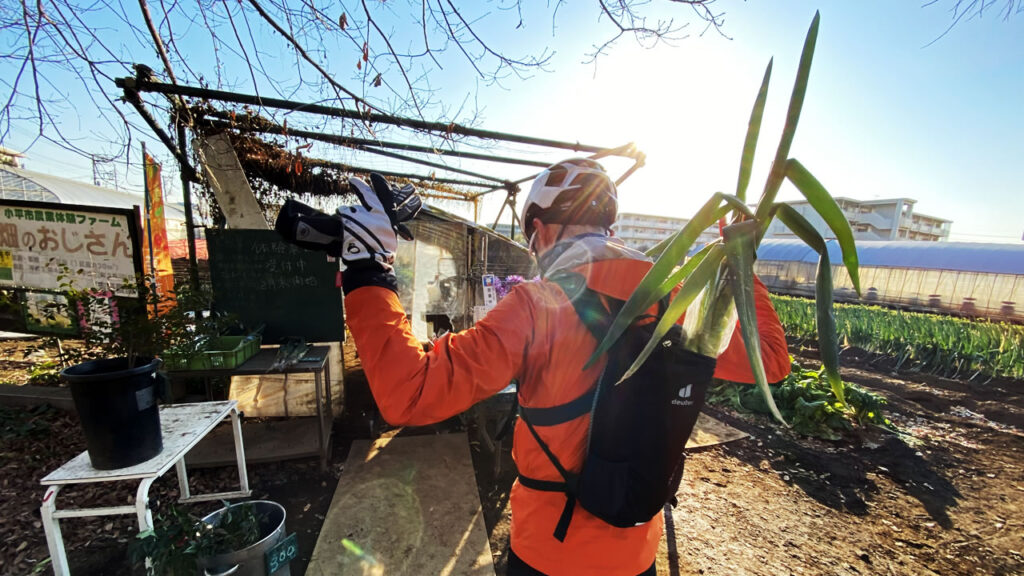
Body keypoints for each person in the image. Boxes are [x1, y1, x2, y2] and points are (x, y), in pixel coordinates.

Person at [328, 162, 790, 575]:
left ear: (542, 230)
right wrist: (739, 267)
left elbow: (409, 393)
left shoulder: (537, 305)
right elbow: (771, 360)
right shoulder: (674, 300)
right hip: (636, 553)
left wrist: (368, 272)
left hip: (550, 553)